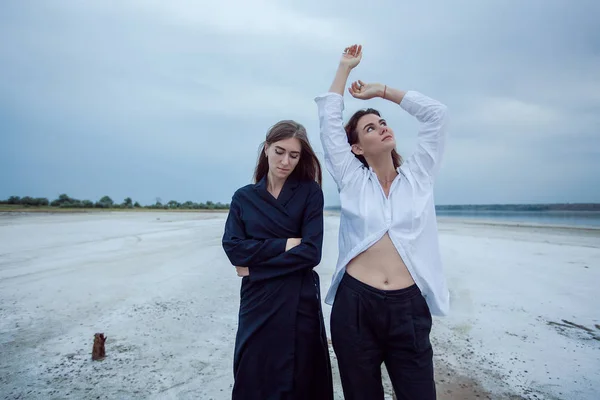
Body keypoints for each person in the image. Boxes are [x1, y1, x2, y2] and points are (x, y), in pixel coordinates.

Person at [314, 44, 450, 399]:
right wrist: (344, 69)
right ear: (357, 148)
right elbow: (329, 123)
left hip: (409, 307)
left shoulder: (419, 176)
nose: (383, 128)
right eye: (371, 128)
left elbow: (437, 115)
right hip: (355, 307)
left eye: (383, 123)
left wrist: (383, 93)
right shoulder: (352, 180)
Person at [222, 120, 334, 400]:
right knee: (251, 371)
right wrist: (285, 244)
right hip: (256, 302)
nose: (285, 161)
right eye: (279, 151)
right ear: (266, 149)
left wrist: (256, 268)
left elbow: (311, 253)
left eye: (293, 155)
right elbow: (234, 249)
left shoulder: (310, 192)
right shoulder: (244, 198)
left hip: (298, 300)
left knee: (301, 377)